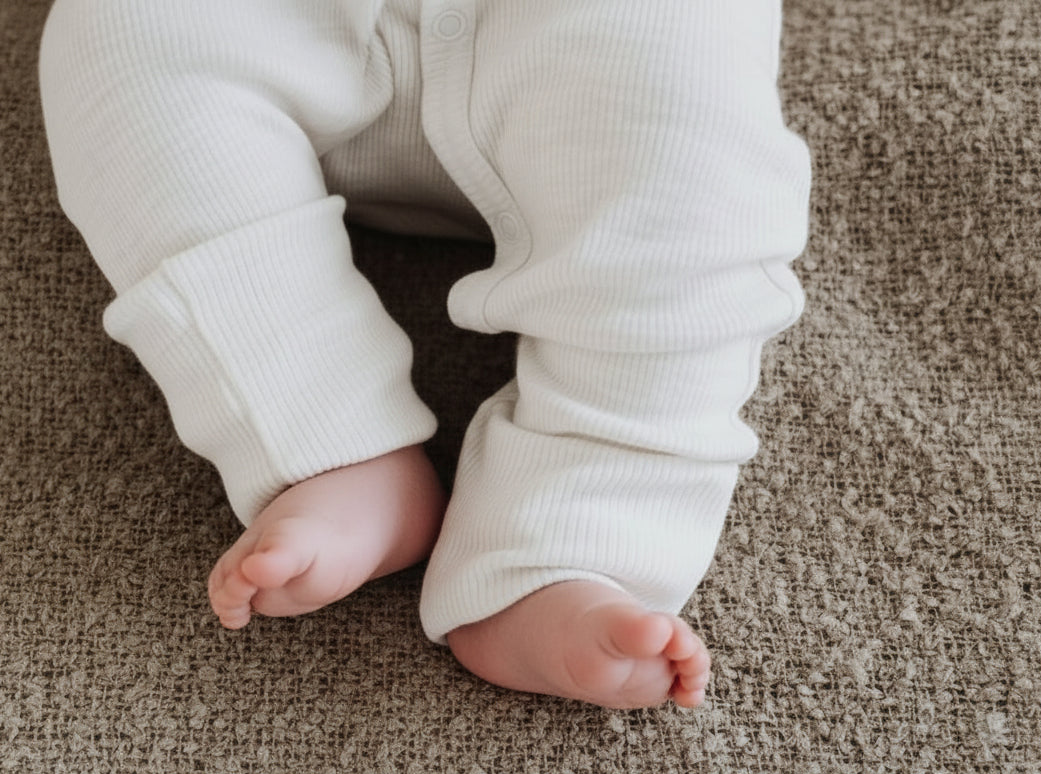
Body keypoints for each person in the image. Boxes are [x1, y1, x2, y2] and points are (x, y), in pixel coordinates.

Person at [39, 0, 810, 709]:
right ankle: (326, 440)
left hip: (597, 60)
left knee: (691, 146)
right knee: (122, 33)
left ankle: (576, 529)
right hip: (283, 40)